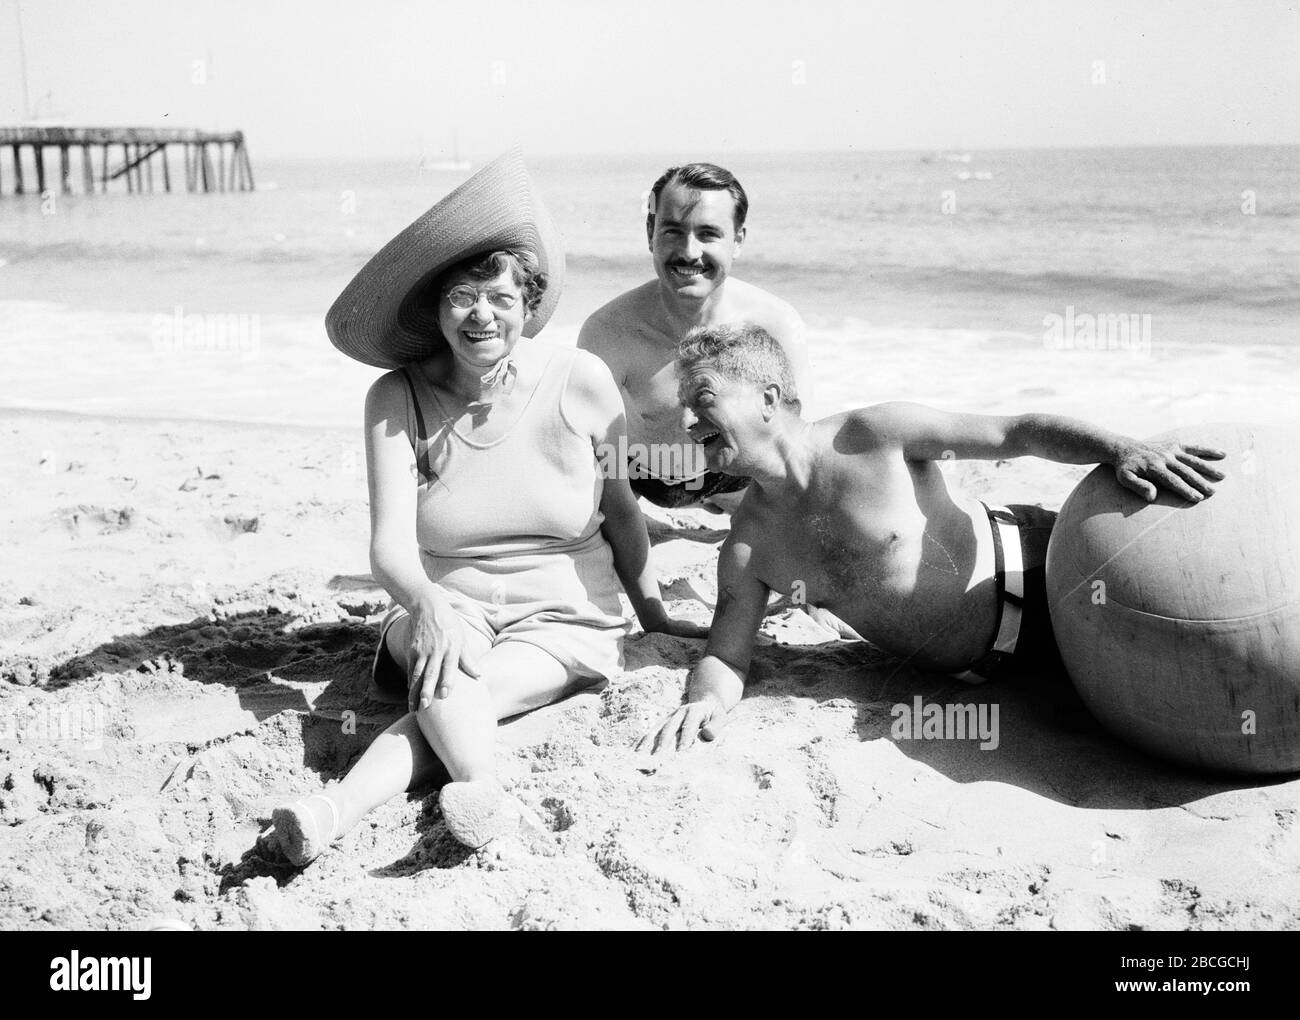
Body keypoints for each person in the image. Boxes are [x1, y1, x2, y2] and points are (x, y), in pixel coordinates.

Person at [264, 151, 704, 864]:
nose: (482, 315)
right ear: (435, 309)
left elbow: (621, 511)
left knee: (467, 690)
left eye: (502, 298)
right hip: (445, 600)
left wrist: (653, 616)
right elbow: (389, 547)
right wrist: (428, 607)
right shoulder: (395, 398)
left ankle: (334, 809)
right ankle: (485, 788)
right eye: (463, 297)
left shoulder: (582, 382)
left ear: (529, 308)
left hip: (563, 617)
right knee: (448, 660)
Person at [639, 322, 1226, 755]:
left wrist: (1124, 449)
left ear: (768, 399)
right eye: (686, 410)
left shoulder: (872, 435)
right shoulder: (746, 544)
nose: (691, 425)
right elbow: (726, 651)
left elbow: (1013, 433)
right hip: (1017, 671)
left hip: (1052, 565)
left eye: (704, 401)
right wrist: (705, 700)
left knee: (1210, 604)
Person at [578, 162, 809, 510]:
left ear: (738, 241)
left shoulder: (776, 325)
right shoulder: (608, 332)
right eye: (672, 231)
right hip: (644, 475)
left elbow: (800, 447)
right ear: (650, 232)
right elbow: (586, 452)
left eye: (708, 233)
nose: (689, 251)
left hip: (737, 477)